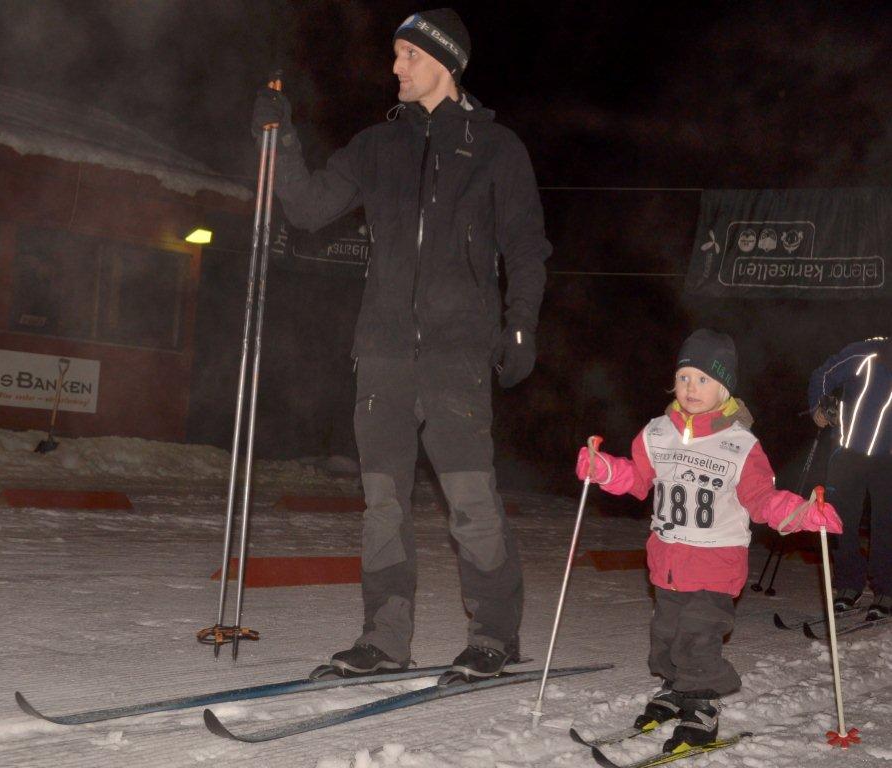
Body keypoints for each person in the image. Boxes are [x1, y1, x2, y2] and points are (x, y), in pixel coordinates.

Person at [250, 8, 551, 679]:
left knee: (470, 503)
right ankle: (384, 638)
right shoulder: (378, 146)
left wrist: (520, 325)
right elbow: (307, 207)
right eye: (394, 54)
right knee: (382, 506)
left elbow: (527, 247)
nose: (395, 67)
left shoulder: (496, 149)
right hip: (382, 353)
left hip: (456, 355)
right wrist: (282, 139)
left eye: (408, 55)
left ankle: (494, 634)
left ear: (445, 62)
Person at [575, 329, 842, 752]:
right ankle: (675, 687)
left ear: (724, 388)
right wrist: (604, 469)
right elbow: (638, 479)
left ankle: (701, 704)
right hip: (666, 562)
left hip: (716, 564)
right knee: (666, 634)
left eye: (703, 379)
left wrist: (802, 512)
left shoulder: (740, 445)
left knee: (698, 637)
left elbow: (762, 499)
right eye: (683, 377)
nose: (691, 387)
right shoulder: (656, 433)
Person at [808, 336, 892, 621]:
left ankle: (885, 589)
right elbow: (823, 375)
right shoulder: (865, 352)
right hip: (848, 452)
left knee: (886, 523)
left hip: (888, 459)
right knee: (842, 522)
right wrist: (818, 406)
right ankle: (848, 585)